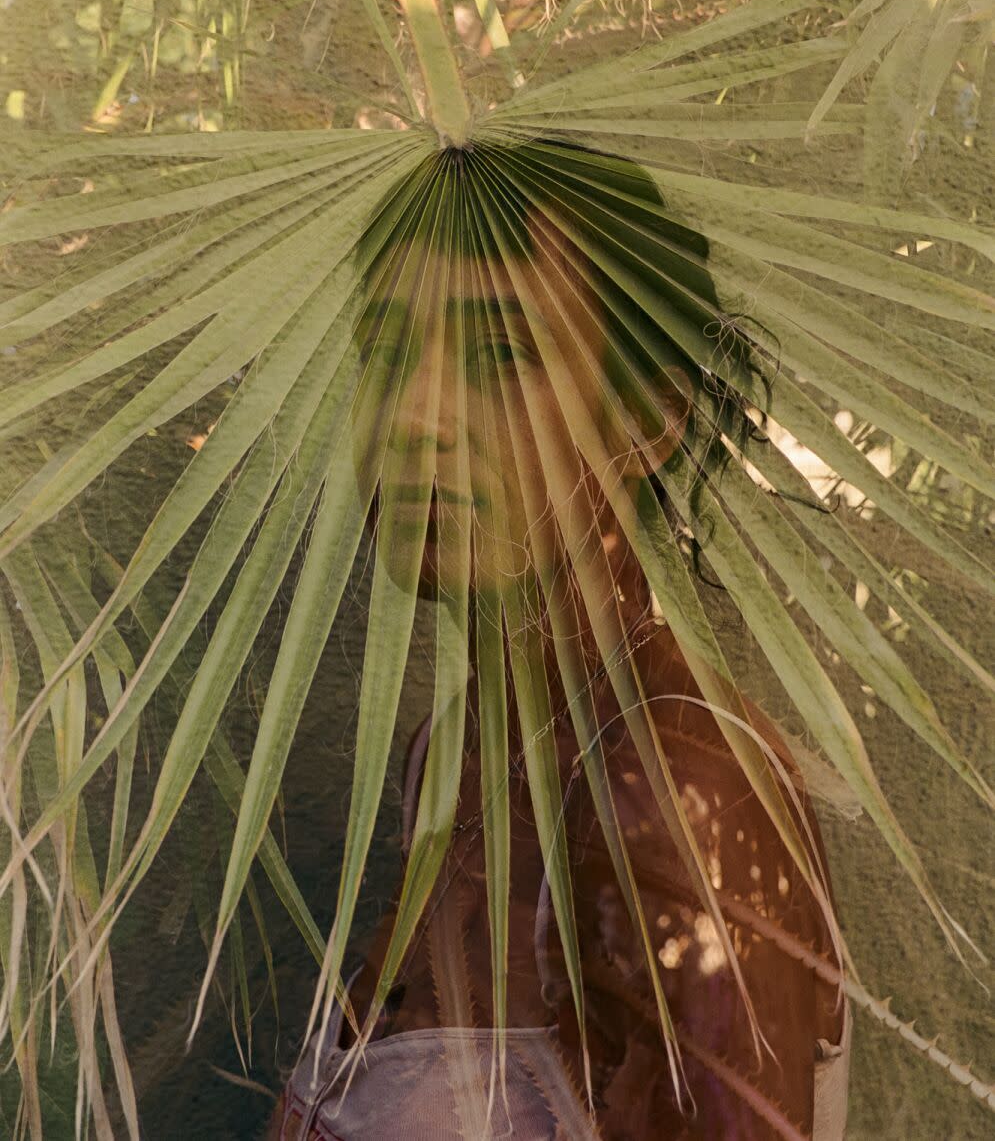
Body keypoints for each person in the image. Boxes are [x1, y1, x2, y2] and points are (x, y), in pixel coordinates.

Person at [268, 140, 851, 1140]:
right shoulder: (445, 757)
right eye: (384, 350)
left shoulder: (666, 790)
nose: (412, 416)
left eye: (499, 357)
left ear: (648, 417)